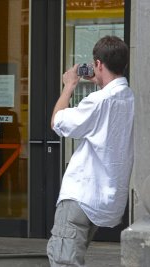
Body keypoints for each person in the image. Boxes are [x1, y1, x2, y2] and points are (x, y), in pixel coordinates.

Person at [46, 35, 134, 267]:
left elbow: (57, 122)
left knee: (62, 261)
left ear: (98, 64)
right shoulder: (131, 98)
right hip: (107, 196)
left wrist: (69, 86)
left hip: (81, 194)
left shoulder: (99, 100)